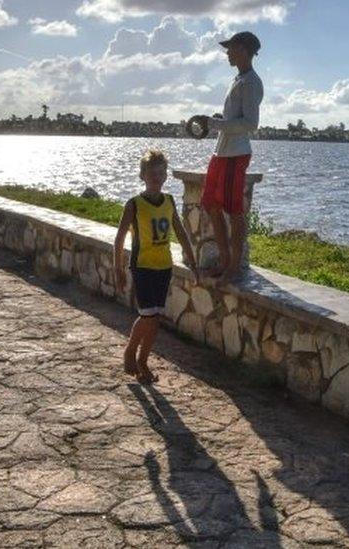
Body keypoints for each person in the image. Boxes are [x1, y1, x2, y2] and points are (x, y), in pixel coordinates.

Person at [114, 150, 198, 384]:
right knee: (148, 316)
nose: (157, 176)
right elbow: (120, 238)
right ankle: (134, 354)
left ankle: (141, 359)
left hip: (164, 267)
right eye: (152, 172)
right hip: (142, 267)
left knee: (155, 318)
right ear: (142, 175)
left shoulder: (169, 202)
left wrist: (192, 262)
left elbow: (181, 233)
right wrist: (118, 268)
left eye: (161, 172)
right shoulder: (134, 204)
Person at [196, 31, 264, 284]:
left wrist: (215, 123)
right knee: (210, 203)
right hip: (222, 152)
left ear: (244, 50)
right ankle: (225, 261)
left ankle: (233, 267)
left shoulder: (252, 82)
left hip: (236, 154)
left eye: (231, 48)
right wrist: (218, 122)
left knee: (234, 210)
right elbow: (233, 120)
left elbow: (250, 123)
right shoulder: (238, 79)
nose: (227, 52)